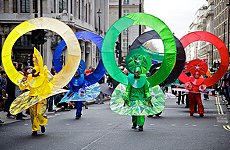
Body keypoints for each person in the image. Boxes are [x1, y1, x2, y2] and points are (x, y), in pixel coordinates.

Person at [122, 67, 152, 131]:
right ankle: (134, 123)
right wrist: (126, 96)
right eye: (135, 72)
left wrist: (148, 96)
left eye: (137, 72)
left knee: (140, 112)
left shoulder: (144, 81)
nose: (136, 74)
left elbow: (146, 90)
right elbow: (128, 89)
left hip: (141, 99)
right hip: (133, 98)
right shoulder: (131, 81)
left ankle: (141, 125)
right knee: (134, 112)